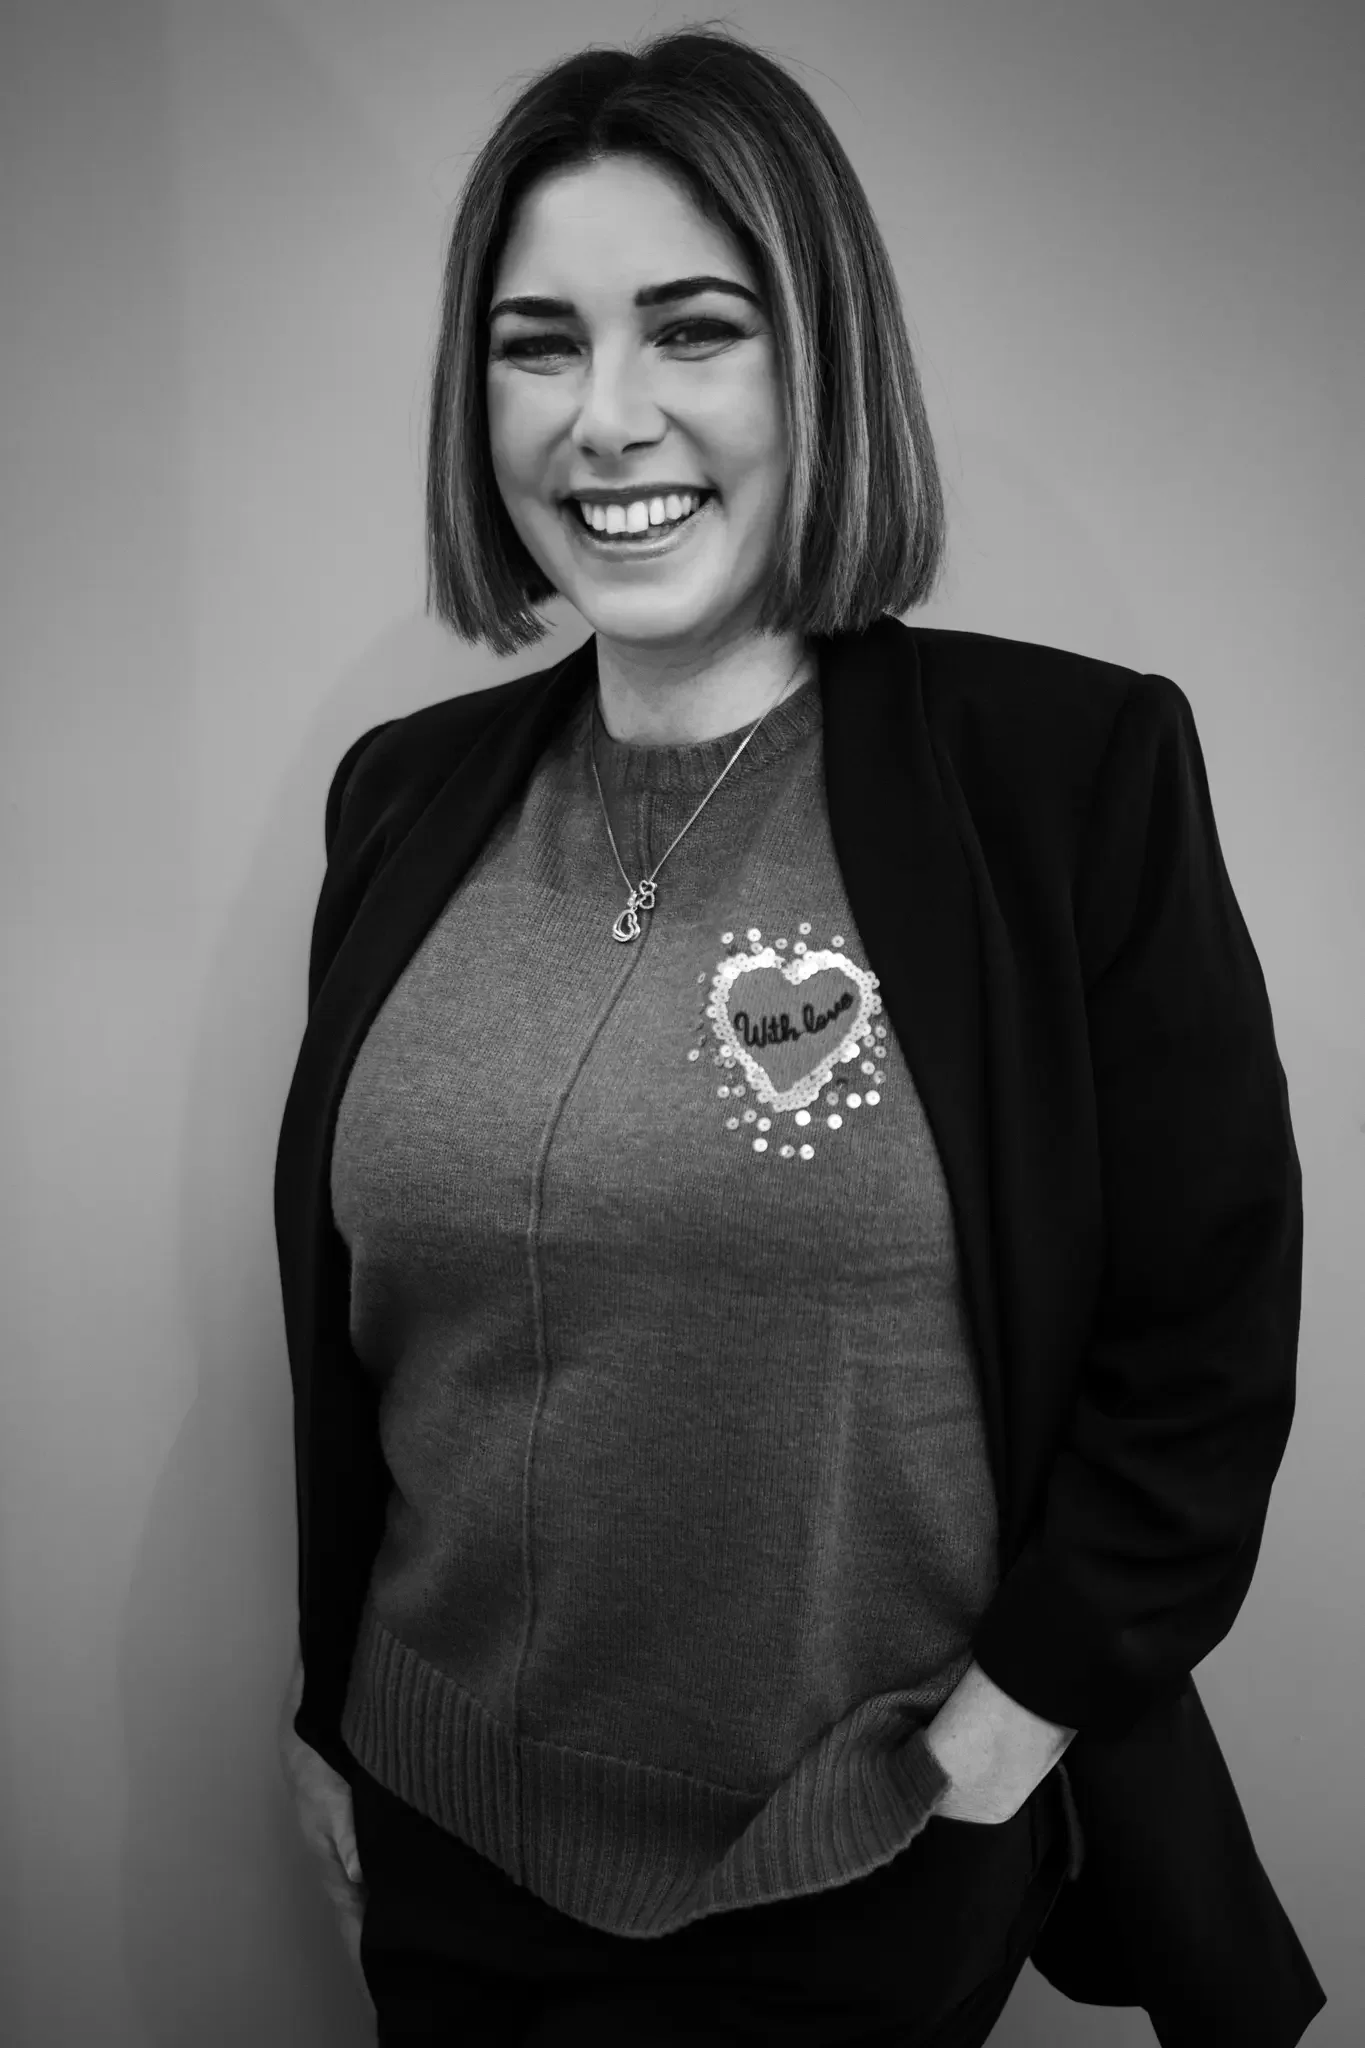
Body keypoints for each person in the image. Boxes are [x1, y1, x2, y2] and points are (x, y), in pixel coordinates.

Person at [274, 23, 1326, 2048]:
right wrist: (330, 1709)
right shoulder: (397, 799)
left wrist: (1016, 1723)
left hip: (849, 1865)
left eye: (692, 330)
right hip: (434, 1838)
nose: (606, 419)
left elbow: (1202, 1320)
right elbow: (358, 1338)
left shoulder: (1058, 777)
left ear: (816, 358)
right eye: (536, 343)